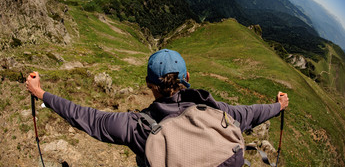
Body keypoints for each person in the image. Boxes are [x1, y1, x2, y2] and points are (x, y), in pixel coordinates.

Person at [26, 49, 289, 166]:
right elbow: (253, 114)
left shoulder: (138, 127)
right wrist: (278, 106)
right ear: (187, 79)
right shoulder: (217, 111)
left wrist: (41, 93)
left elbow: (89, 119)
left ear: (150, 86)